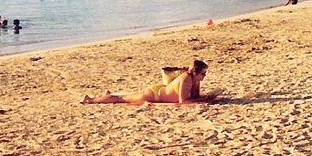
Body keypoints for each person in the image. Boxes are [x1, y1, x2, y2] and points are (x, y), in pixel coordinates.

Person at [82, 59, 214, 105]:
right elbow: (183, 101)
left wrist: (206, 97)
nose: (205, 76)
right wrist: (204, 100)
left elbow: (194, 97)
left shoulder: (195, 80)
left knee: (125, 96)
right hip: (154, 95)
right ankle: (91, 100)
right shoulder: (186, 79)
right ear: (196, 72)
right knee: (121, 98)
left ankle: (105, 95)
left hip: (160, 90)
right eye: (203, 73)